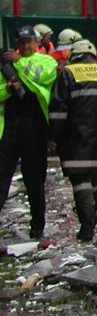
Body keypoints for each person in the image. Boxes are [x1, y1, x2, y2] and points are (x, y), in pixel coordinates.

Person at [48, 39, 97, 242]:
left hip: (77, 136)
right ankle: (95, 208)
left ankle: (87, 227)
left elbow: (58, 111)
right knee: (95, 177)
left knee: (80, 181)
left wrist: (54, 137)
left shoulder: (68, 73)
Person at [0, 26, 59, 240]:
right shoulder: (6, 65)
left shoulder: (46, 61)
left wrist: (17, 62)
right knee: (2, 179)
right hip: (9, 128)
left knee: (35, 181)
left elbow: (41, 76)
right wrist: (7, 89)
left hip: (35, 128)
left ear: (36, 43)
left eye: (29, 42)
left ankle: (37, 228)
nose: (25, 47)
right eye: (22, 43)